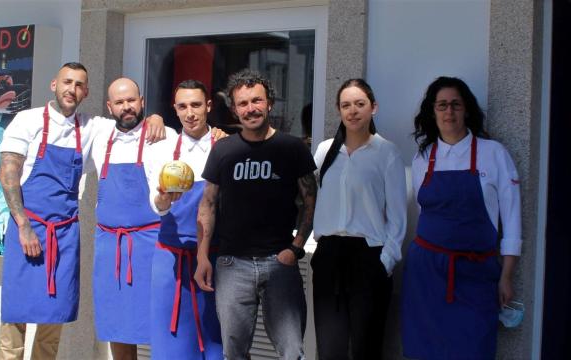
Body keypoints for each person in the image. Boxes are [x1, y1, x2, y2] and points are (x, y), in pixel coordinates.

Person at [0, 64, 164, 360]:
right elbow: (8, 174)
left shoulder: (92, 127)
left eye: (79, 85)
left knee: (54, 318)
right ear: (54, 84)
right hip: (28, 226)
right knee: (15, 316)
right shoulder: (27, 120)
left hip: (64, 233)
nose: (71, 89)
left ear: (86, 92)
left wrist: (155, 117)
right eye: (67, 82)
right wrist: (23, 226)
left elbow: (129, 120)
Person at [194, 69, 317, 360]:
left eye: (256, 101)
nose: (251, 109)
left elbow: (310, 201)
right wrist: (202, 256)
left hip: (280, 263)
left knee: (291, 351)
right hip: (232, 264)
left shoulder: (292, 148)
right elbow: (208, 204)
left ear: (269, 103)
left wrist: (295, 248)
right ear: (234, 109)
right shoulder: (223, 150)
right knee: (234, 352)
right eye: (243, 103)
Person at [401, 76, 521, 359]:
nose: (449, 112)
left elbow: (512, 220)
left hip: (476, 274)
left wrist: (506, 276)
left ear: (466, 109)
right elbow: (424, 213)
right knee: (424, 350)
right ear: (433, 111)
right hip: (426, 275)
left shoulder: (494, 154)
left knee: (474, 347)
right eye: (442, 105)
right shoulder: (423, 158)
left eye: (455, 104)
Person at [311, 79, 407, 359]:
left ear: (373, 108)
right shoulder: (325, 151)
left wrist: (385, 262)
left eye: (359, 104)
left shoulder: (386, 152)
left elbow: (398, 215)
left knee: (367, 346)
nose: (352, 111)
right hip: (330, 254)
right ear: (339, 111)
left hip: (369, 257)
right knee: (330, 347)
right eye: (346, 105)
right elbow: (310, 197)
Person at [89, 77, 171, 360]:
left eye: (132, 101)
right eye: (120, 102)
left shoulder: (163, 135)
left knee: (161, 322)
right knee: (116, 325)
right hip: (109, 245)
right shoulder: (98, 134)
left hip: (150, 243)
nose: (127, 107)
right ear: (109, 106)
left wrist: (160, 117)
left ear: (143, 102)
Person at [148, 79, 223, 359]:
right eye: (182, 106)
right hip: (171, 260)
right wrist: (163, 201)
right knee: (172, 341)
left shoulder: (225, 146)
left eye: (196, 105)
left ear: (208, 106)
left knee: (216, 340)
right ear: (175, 110)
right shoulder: (160, 150)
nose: (190, 113)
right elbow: (155, 205)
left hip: (216, 259)